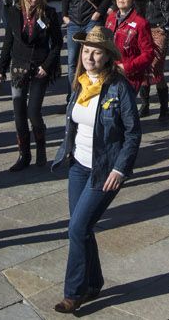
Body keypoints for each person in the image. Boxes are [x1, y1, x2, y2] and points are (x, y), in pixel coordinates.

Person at [53, 25, 141, 315]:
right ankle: (94, 281)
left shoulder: (118, 87)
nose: (90, 56)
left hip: (104, 170)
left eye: (96, 52)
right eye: (87, 50)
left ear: (107, 57)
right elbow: (74, 123)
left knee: (76, 228)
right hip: (78, 166)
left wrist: (120, 169)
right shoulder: (79, 82)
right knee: (84, 228)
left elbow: (133, 133)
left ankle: (73, 292)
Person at [2, 0, 63, 171]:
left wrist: (46, 66)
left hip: (40, 67)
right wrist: (0, 68)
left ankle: (41, 147)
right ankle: (24, 155)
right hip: (19, 67)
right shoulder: (13, 12)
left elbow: (57, 44)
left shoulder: (49, 14)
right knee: (18, 113)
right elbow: (8, 42)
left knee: (33, 111)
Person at [104, 0, 157, 105]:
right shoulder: (111, 18)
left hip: (129, 77)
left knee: (121, 109)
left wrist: (126, 67)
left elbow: (148, 54)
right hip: (108, 71)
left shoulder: (141, 23)